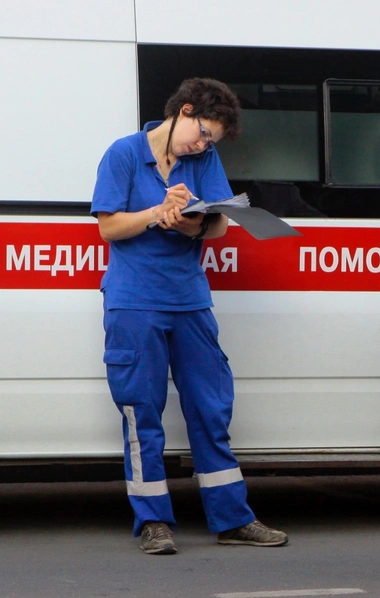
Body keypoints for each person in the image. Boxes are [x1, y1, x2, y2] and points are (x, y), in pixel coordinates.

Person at [91, 78, 287, 555]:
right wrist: (159, 212)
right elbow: (109, 227)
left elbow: (218, 224)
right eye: (201, 133)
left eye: (211, 140)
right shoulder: (123, 153)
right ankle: (153, 522)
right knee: (142, 411)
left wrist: (195, 223)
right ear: (182, 111)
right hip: (135, 301)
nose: (203, 144)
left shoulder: (203, 159)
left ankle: (232, 518)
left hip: (190, 300)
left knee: (210, 407)